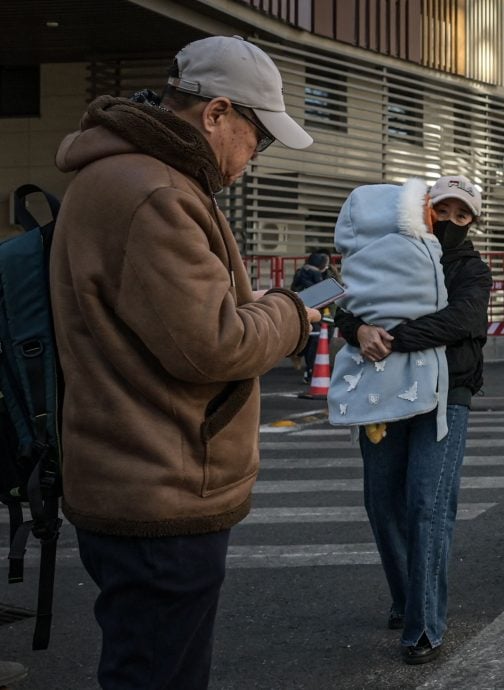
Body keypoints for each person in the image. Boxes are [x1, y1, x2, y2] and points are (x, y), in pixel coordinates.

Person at [50, 36, 319, 687]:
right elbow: (215, 344)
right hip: (159, 489)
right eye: (260, 137)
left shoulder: (125, 175)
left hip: (133, 476)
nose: (256, 156)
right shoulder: (157, 194)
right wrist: (293, 313)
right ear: (216, 113)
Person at [335, 174, 491, 665]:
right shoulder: (380, 252)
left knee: (427, 502)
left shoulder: (472, 269)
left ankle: (425, 625)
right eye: (441, 209)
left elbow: (463, 320)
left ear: (472, 224)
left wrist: (391, 337)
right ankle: (406, 598)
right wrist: (359, 329)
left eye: (462, 215)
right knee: (382, 502)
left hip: (449, 393)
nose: (449, 220)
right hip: (382, 389)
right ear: (424, 210)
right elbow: (344, 302)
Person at [291, 251, 332, 382]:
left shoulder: (301, 272)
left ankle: (304, 363)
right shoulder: (316, 275)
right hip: (317, 313)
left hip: (305, 312)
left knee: (310, 341)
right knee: (315, 341)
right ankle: (310, 371)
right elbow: (323, 294)